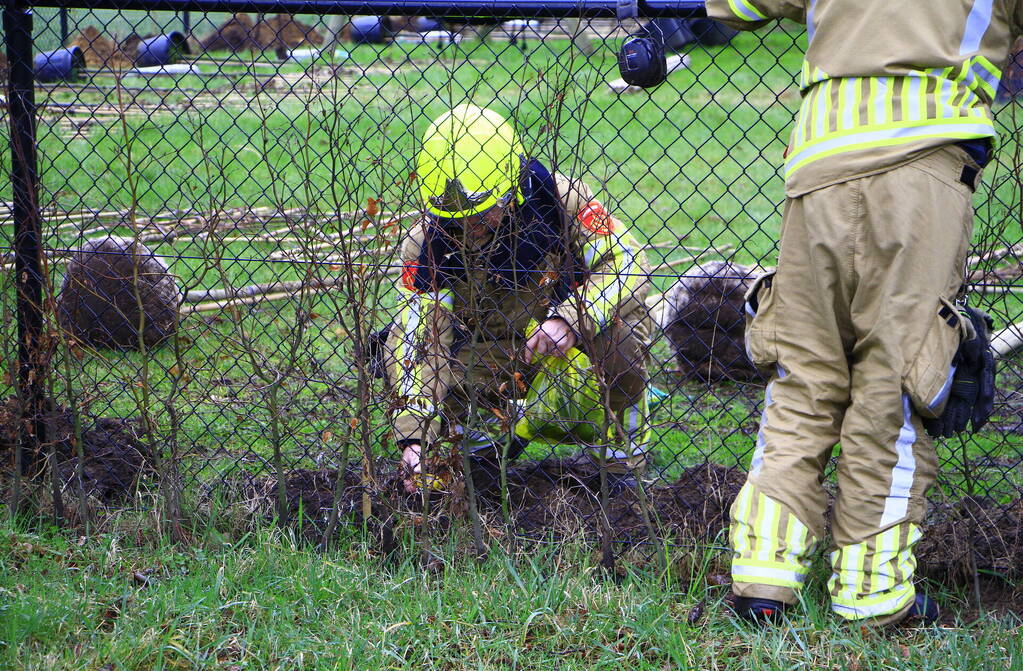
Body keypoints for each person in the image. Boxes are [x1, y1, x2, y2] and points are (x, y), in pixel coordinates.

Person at [705, 0, 1023, 625]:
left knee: (804, 373)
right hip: (924, 162)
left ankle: (763, 582)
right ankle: (871, 592)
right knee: (896, 381)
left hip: (819, 164)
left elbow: (735, 5)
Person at [385, 105, 651, 495]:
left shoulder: (562, 202)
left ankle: (618, 457)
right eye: (453, 217)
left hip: (562, 354)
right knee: (403, 351)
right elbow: (417, 338)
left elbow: (628, 262)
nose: (466, 227)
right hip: (488, 361)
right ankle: (486, 447)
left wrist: (571, 321)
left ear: (513, 187)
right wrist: (414, 440)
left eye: (481, 213)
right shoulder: (424, 243)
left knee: (618, 345)